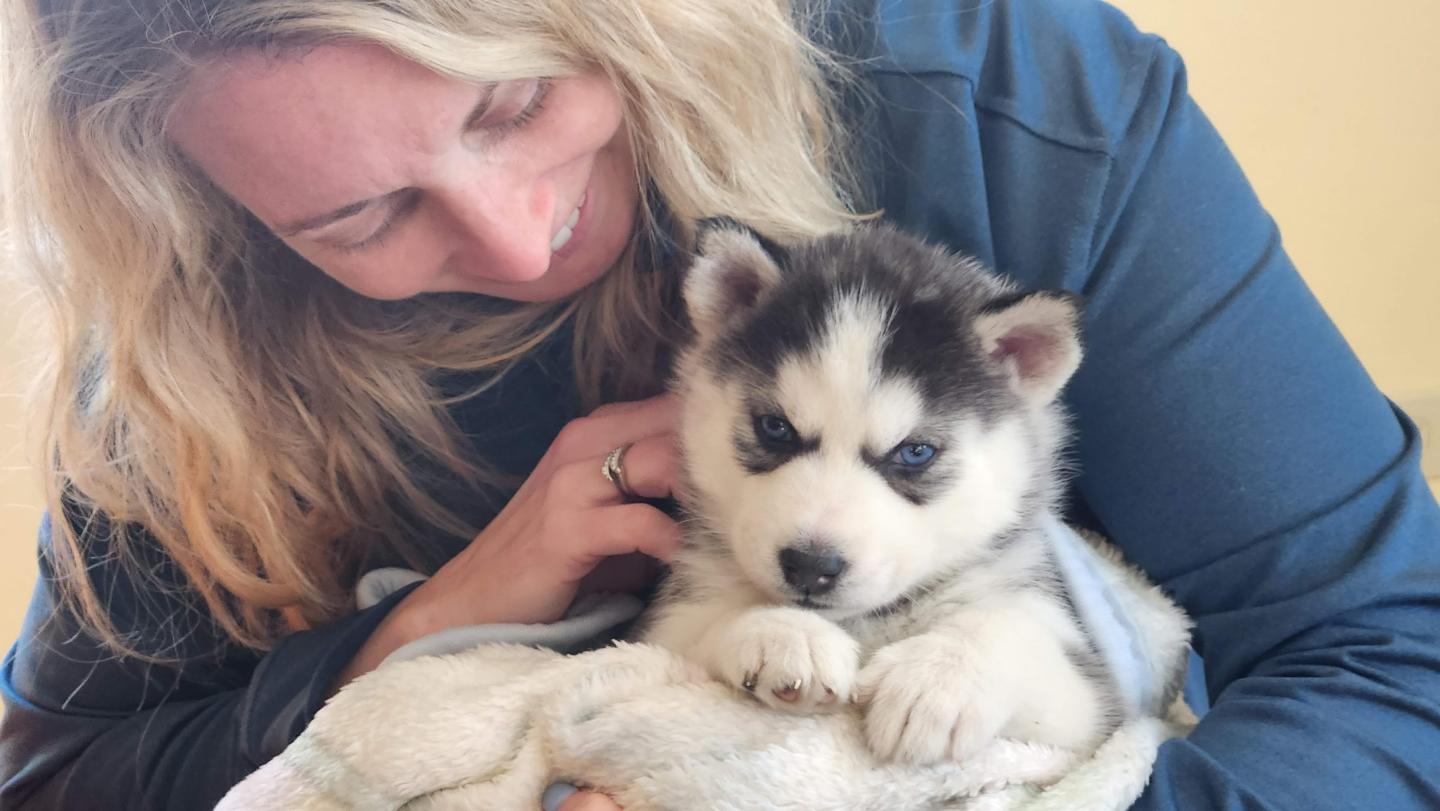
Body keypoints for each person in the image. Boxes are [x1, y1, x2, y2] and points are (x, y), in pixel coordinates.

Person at [2, 0, 1438, 809]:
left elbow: (1387, 658)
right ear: (216, 220)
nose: (517, 243)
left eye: (514, 103)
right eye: (362, 216)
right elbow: (51, 781)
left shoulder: (1007, 108)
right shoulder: (189, 358)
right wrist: (416, 636)